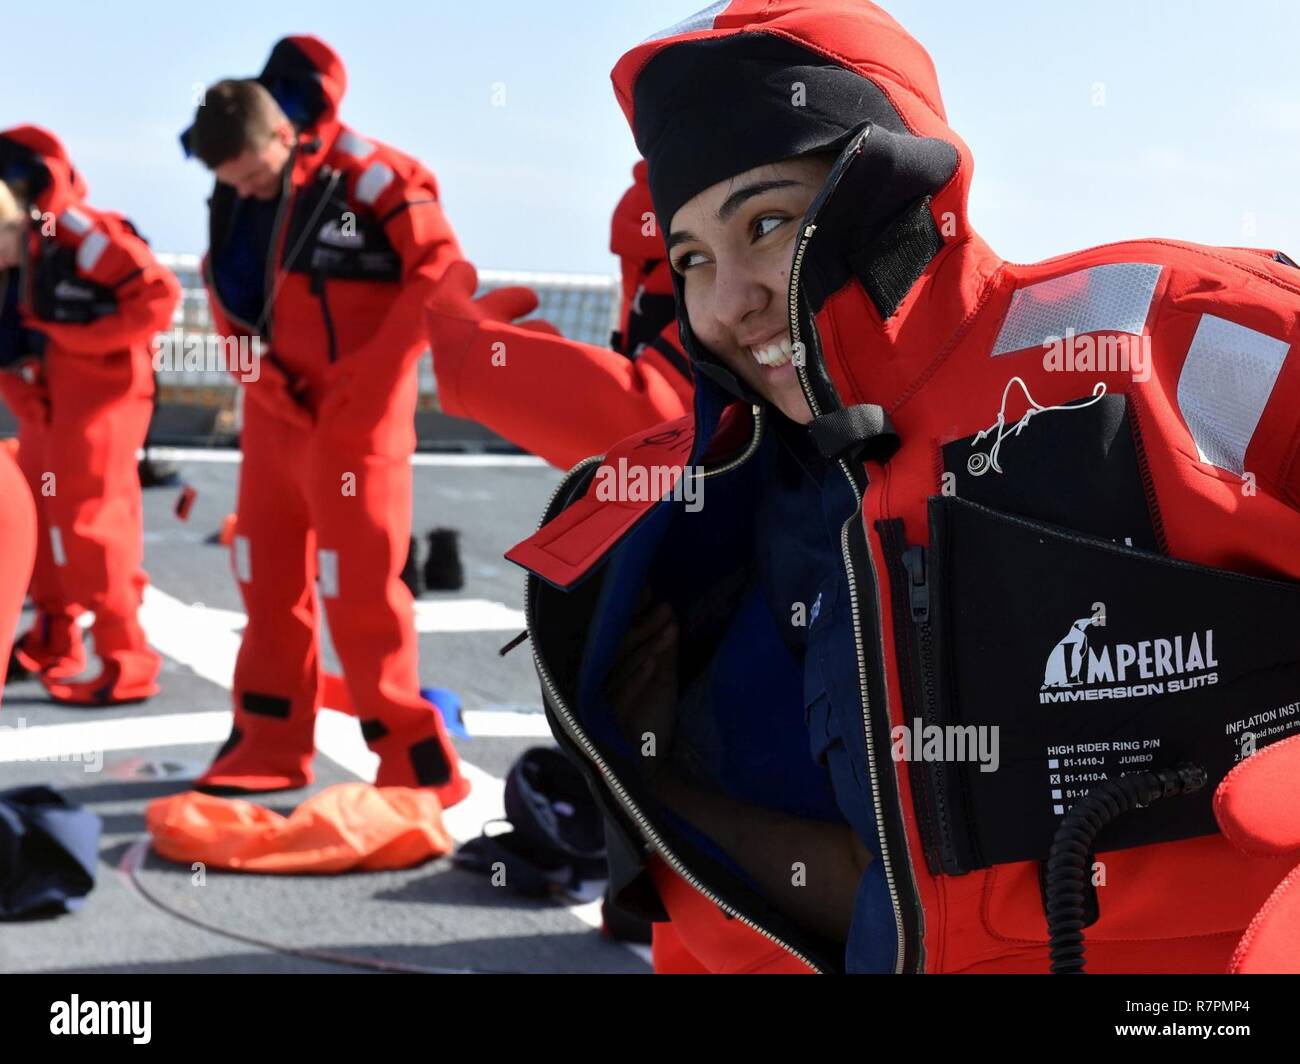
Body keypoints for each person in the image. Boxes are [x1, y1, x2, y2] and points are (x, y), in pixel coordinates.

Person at [508, 0, 1300, 973]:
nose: (725, 300)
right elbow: (878, 895)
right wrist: (661, 789)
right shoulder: (737, 521)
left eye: (764, 221)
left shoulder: (1171, 340)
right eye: (690, 258)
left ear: (890, 187)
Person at [182, 36, 468, 804]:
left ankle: (412, 763)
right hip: (274, 420)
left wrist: (366, 387)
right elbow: (224, 299)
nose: (242, 191)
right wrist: (263, 387)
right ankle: (268, 741)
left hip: (358, 427)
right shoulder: (237, 194)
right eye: (229, 182)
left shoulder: (377, 178)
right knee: (267, 582)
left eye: (249, 174)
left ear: (282, 134)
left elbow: (442, 272)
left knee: (362, 593)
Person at [0, 128, 179, 705]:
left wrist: (76, 339)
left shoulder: (81, 237)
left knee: (92, 530)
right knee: (36, 511)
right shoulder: (26, 250)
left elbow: (158, 298)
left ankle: (126, 660)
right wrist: (31, 400)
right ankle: (55, 638)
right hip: (46, 407)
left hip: (100, 404)